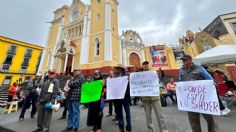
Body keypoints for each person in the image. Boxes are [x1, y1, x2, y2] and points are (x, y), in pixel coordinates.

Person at [179, 55, 219, 132]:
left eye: (185, 60)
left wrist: (212, 84)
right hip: (190, 99)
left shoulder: (199, 68)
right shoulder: (181, 70)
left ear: (190, 60)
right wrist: (178, 87)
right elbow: (181, 81)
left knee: (210, 118)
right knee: (193, 120)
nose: (184, 61)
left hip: (203, 98)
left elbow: (209, 79)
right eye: (183, 60)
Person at [141, 61, 168, 132]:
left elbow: (159, 80)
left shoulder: (153, 72)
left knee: (160, 115)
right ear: (142, 66)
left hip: (155, 97)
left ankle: (164, 130)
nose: (146, 65)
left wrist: (158, 76)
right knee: (148, 117)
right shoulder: (139, 75)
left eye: (147, 64)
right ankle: (151, 130)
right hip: (145, 98)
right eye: (144, 64)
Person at [113, 65, 132, 132]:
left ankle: (128, 128)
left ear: (121, 69)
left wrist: (130, 79)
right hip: (117, 97)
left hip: (125, 96)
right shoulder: (114, 76)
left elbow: (133, 81)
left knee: (128, 113)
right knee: (119, 113)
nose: (116, 70)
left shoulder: (127, 74)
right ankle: (121, 128)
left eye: (117, 68)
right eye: (116, 68)